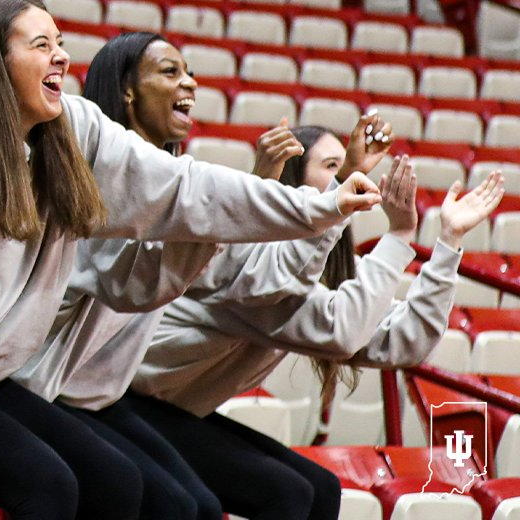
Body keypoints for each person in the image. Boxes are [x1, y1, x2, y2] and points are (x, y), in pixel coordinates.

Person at [0, 0, 383, 520]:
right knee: (51, 484)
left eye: (61, 42)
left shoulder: (70, 133)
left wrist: (321, 205)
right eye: (40, 44)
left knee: (118, 482)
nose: (61, 56)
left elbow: (183, 190)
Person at [11, 32, 364, 520]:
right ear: (128, 90)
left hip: (100, 397)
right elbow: (134, 284)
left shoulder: (177, 183)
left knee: (227, 500)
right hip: (51, 387)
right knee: (179, 502)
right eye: (171, 71)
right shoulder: (96, 178)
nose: (190, 83)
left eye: (190, 72)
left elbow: (252, 280)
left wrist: (289, 201)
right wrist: (294, 201)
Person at [126, 127, 503, 520]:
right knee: (285, 494)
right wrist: (399, 236)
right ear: (295, 183)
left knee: (320, 489)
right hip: (129, 403)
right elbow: (342, 330)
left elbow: (401, 342)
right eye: (333, 167)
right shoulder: (260, 259)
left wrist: (448, 242)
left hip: (174, 411)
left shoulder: (326, 266)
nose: (356, 175)